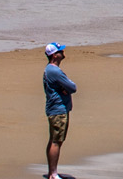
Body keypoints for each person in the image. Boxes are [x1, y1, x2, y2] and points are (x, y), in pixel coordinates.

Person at [42, 43, 75, 179]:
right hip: (58, 110)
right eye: (61, 51)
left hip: (56, 109)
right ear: (55, 55)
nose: (63, 52)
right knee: (56, 141)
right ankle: (53, 174)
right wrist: (66, 88)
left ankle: (52, 173)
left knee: (55, 140)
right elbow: (73, 87)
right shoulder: (54, 71)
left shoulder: (50, 70)